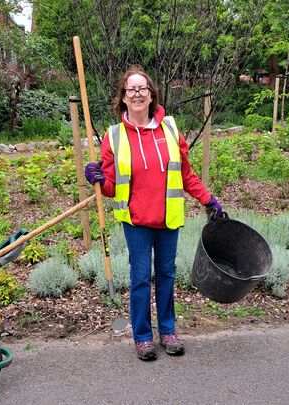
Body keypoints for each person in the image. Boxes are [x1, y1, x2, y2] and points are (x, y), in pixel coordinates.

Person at [84, 66, 222, 361]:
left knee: (166, 275)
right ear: (122, 98)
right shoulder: (114, 136)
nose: (136, 94)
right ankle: (143, 337)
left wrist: (208, 200)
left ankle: (168, 331)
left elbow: (186, 174)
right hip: (136, 221)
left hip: (167, 218)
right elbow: (110, 188)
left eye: (142, 89)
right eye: (130, 90)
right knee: (140, 279)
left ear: (151, 94)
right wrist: (96, 178)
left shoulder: (170, 129)